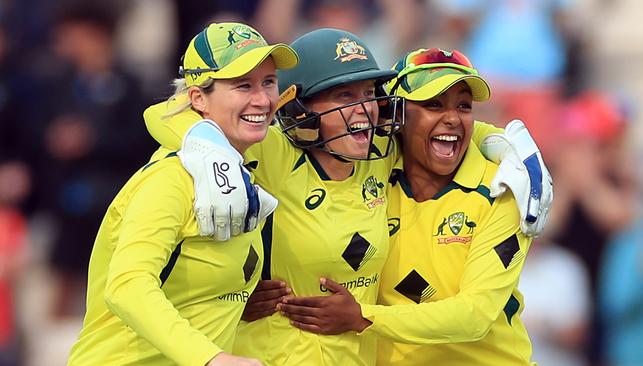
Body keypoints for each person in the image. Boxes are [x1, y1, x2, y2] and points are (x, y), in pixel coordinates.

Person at [145, 30, 551, 365]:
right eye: (344, 95)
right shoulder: (305, 154)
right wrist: (204, 140)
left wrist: (507, 141)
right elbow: (169, 113)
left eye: (368, 94)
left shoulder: (503, 187)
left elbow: (475, 316)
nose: (365, 111)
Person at [277, 48, 537, 365]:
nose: (453, 118)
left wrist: (363, 318)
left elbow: (475, 316)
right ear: (394, 113)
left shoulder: (504, 188)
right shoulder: (368, 167)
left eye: (464, 106)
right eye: (433, 104)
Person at [67, 22, 298, 366]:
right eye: (243, 85)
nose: (262, 99)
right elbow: (127, 286)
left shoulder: (243, 166)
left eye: (268, 82)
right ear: (198, 98)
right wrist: (213, 358)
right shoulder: (170, 178)